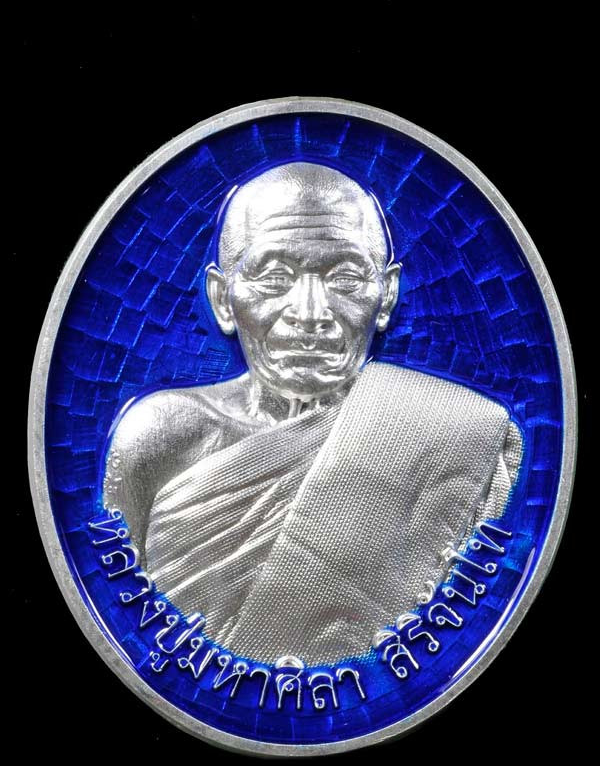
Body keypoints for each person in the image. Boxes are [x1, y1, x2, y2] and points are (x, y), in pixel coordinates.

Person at [103, 162, 522, 666]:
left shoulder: (454, 433)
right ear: (222, 300)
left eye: (345, 277)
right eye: (273, 277)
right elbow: (116, 608)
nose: (309, 313)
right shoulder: (161, 435)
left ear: (386, 296)